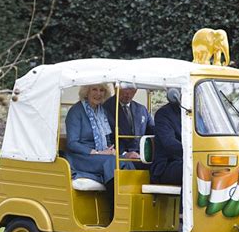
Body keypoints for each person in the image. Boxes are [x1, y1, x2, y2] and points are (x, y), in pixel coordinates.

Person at [65, 83, 134, 219]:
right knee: (112, 163)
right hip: (80, 157)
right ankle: (114, 213)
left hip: (100, 156)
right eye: (94, 90)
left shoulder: (101, 111)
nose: (98, 94)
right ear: (86, 91)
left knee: (126, 162)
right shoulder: (76, 111)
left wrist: (110, 150)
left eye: (102, 90)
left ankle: (128, 212)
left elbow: (106, 139)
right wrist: (96, 153)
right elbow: (72, 143)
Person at [103, 86, 154, 167]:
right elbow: (106, 139)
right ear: (116, 88)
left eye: (131, 89)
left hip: (142, 156)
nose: (128, 93)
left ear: (136, 90)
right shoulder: (105, 108)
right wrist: (124, 154)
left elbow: (152, 130)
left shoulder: (142, 109)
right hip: (119, 158)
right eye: (125, 88)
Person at [150, 100, 182, 185]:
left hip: (188, 160)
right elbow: (169, 143)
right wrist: (193, 152)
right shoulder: (164, 113)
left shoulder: (198, 113)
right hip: (166, 165)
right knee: (192, 170)